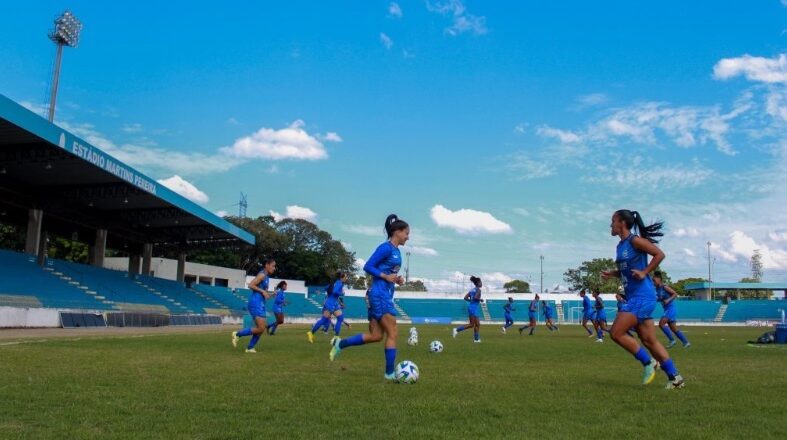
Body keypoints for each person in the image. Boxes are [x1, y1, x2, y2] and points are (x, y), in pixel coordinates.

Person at [601, 209, 685, 389]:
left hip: (642, 296)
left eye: (613, 221)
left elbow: (659, 254)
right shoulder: (620, 246)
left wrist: (645, 272)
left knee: (616, 333)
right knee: (649, 340)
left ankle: (649, 363)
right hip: (635, 296)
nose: (611, 225)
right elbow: (628, 270)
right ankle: (675, 378)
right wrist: (613, 273)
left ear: (622, 222)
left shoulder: (635, 241)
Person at [328, 214, 408, 381]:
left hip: (381, 295)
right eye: (406, 233)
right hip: (379, 296)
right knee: (393, 332)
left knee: (376, 336)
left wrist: (396, 279)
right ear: (397, 232)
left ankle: (340, 344)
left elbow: (388, 273)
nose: (408, 236)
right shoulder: (385, 248)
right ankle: (389, 374)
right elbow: (368, 266)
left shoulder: (397, 252)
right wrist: (385, 277)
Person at [231, 259, 276, 353]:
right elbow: (251, 285)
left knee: (261, 328)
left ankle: (250, 348)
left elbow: (264, 294)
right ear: (267, 265)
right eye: (273, 266)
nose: (274, 268)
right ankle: (237, 334)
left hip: (261, 304)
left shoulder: (267, 277)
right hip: (255, 303)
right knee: (260, 328)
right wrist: (263, 291)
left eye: (274, 266)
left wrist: (271, 294)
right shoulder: (262, 274)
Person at [307, 272, 348, 344]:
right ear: (342, 277)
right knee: (324, 320)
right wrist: (341, 293)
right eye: (346, 277)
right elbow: (335, 291)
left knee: (340, 318)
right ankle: (311, 333)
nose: (346, 278)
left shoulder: (337, 283)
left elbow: (329, 289)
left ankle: (336, 337)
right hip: (330, 304)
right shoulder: (339, 283)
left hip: (334, 303)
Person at [653, 271, 691, 348]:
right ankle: (686, 342)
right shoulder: (657, 289)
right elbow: (659, 298)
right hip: (667, 309)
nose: (653, 282)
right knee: (673, 328)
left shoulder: (664, 287)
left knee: (661, 324)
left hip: (671, 308)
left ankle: (672, 340)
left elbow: (675, 294)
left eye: (654, 280)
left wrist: (668, 300)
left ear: (659, 279)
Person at [453, 276, 483, 343]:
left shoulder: (472, 290)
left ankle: (476, 339)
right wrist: (480, 299)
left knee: (475, 324)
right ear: (478, 283)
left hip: (471, 307)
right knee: (473, 324)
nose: (481, 283)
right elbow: (475, 297)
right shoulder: (478, 290)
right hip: (474, 308)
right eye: (481, 282)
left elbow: (465, 298)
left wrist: (471, 301)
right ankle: (457, 329)